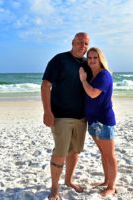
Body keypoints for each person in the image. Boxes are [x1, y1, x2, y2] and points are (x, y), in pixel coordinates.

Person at [41, 32, 90, 200]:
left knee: (74, 151)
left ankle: (69, 181)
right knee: (60, 152)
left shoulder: (86, 63)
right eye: (79, 43)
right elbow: (46, 85)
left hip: (81, 118)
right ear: (72, 42)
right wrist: (47, 111)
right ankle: (54, 189)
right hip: (61, 116)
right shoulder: (59, 60)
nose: (82, 47)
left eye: (85, 44)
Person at [79, 47, 117, 197]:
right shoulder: (93, 76)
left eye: (95, 58)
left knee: (110, 155)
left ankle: (112, 187)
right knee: (103, 153)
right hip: (94, 120)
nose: (92, 60)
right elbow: (109, 96)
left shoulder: (103, 75)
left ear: (100, 59)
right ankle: (106, 180)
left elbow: (93, 93)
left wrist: (82, 80)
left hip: (103, 121)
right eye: (90, 58)